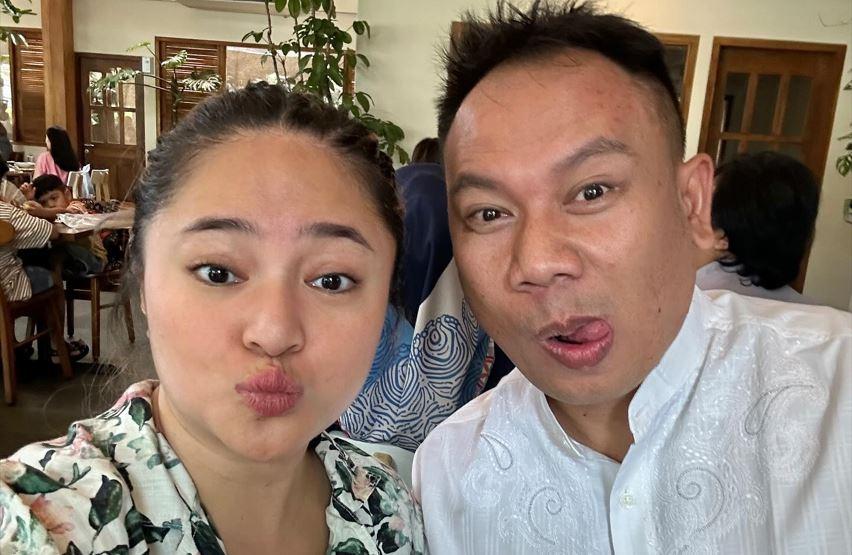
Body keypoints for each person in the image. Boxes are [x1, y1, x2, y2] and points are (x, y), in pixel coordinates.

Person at [412, 2, 851, 553]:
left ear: (692, 203)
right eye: (489, 213)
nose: (538, 263)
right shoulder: (448, 475)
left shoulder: (837, 394)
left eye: (592, 191)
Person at [0, 83, 425, 554]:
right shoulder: (38, 520)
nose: (274, 332)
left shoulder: (386, 504)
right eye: (217, 272)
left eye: (331, 280)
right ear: (141, 278)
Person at [696, 151, 821, 304]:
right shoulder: (814, 312)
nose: (689, 207)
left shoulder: (689, 304)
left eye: (702, 201)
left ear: (723, 237)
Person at [30, 173, 107, 276]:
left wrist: (44, 212)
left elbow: (69, 216)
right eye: (43, 203)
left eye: (54, 198)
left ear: (67, 195)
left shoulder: (76, 207)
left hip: (95, 259)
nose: (50, 205)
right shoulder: (48, 218)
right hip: (70, 257)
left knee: (63, 247)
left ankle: (71, 269)